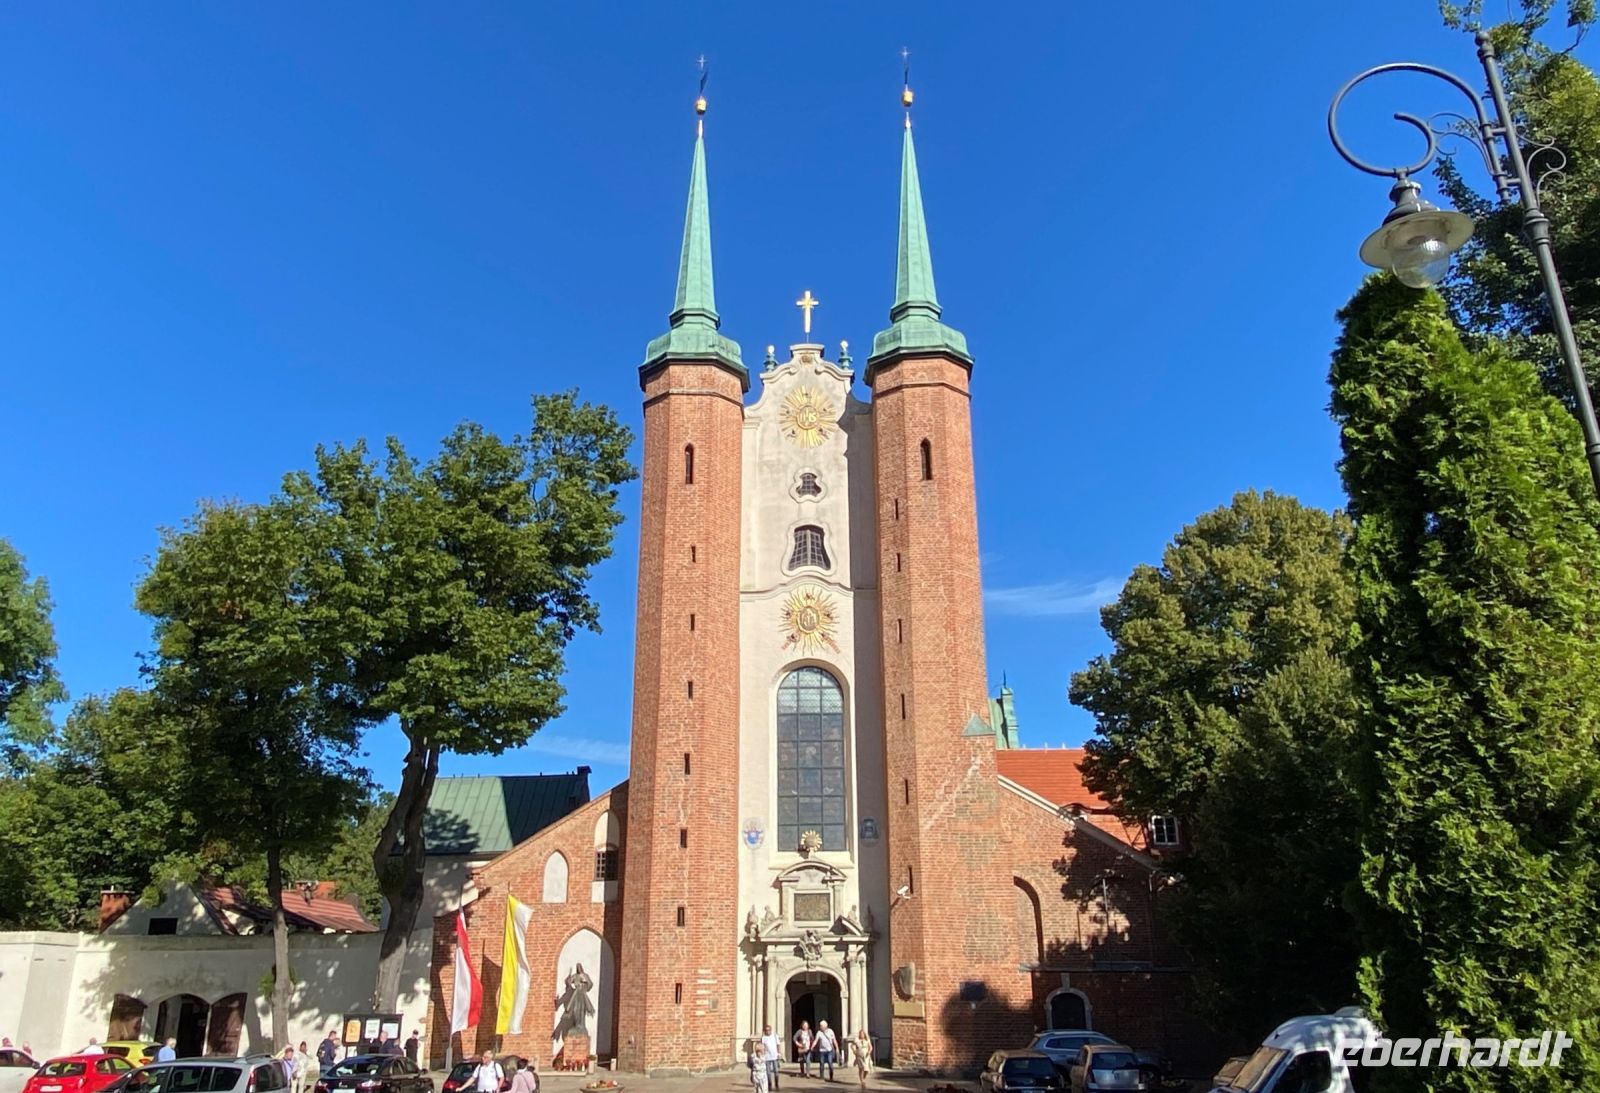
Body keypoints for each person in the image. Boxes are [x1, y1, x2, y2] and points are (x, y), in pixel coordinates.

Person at [759, 1024, 781, 1091]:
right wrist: (762, 1054)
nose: (767, 1031)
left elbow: (778, 1045)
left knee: (776, 1071)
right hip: (767, 1056)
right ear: (764, 1031)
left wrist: (779, 1053)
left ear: (771, 1030)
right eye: (766, 1030)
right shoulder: (763, 1038)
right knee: (768, 1072)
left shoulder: (775, 1036)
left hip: (774, 1056)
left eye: (769, 1030)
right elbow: (762, 1046)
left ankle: (776, 1083)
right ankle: (770, 1084)